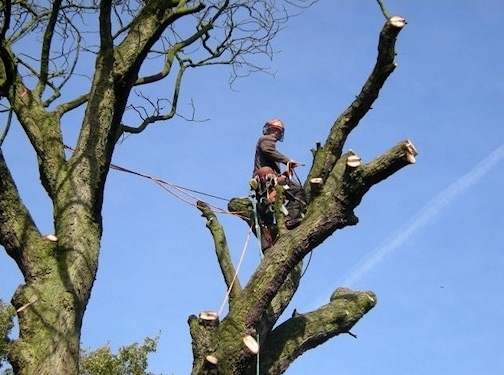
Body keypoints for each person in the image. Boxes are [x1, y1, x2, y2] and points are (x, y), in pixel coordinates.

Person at [251, 119, 307, 234]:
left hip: (265, 184)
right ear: (267, 129)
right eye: (273, 129)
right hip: (266, 180)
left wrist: (284, 174)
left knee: (269, 214)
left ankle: (275, 225)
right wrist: (287, 161)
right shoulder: (265, 140)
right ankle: (290, 218)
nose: (275, 133)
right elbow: (268, 150)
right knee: (299, 191)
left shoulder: (266, 144)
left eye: (278, 131)